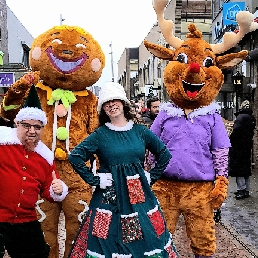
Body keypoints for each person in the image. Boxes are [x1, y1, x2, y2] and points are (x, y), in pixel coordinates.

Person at [68, 82, 178, 258]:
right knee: (107, 238)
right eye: (106, 103)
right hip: (109, 195)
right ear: (103, 108)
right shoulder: (100, 135)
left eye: (114, 100)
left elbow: (164, 154)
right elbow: (75, 156)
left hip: (139, 194)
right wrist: (95, 180)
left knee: (146, 236)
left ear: (123, 102)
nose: (111, 105)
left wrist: (151, 177)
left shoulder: (140, 131)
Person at [0, 85, 68, 258]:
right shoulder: (2, 142)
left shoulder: (45, 156)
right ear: (17, 124)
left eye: (37, 127)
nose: (32, 131)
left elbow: (49, 190)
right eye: (27, 126)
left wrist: (56, 190)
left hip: (25, 219)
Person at [229, 100, 256, 199]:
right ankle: (246, 190)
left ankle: (241, 190)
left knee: (239, 168)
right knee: (246, 168)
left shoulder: (240, 118)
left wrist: (230, 139)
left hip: (238, 147)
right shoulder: (251, 118)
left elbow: (236, 131)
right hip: (247, 146)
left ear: (241, 107)